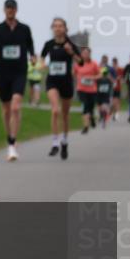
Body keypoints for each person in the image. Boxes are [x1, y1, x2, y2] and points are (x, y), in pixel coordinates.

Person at [0, 0, 35, 161]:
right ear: (4, 10)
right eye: (8, 8)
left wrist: (32, 56)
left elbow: (30, 46)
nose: (10, 11)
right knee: (6, 109)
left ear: (16, 10)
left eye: (12, 8)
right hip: (3, 72)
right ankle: (10, 137)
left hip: (20, 71)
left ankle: (12, 145)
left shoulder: (24, 29)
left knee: (15, 107)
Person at [39, 18, 82, 159]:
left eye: (60, 26)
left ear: (65, 29)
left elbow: (80, 62)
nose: (57, 28)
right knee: (55, 110)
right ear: (52, 28)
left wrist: (71, 53)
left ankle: (64, 141)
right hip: (52, 81)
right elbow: (41, 59)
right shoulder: (48, 44)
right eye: (55, 26)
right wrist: (42, 64)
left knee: (65, 114)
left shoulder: (71, 45)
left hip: (66, 82)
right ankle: (55, 143)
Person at [75, 47, 100, 135]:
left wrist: (92, 78)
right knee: (85, 105)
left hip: (92, 89)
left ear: (90, 54)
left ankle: (92, 117)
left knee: (91, 107)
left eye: (87, 53)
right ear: (81, 54)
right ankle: (85, 126)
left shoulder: (94, 64)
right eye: (83, 53)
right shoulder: (78, 63)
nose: (85, 55)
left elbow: (99, 75)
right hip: (81, 89)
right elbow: (74, 73)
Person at [110, 57, 123, 122]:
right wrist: (113, 79)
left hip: (118, 87)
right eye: (113, 62)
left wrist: (117, 79)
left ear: (117, 62)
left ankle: (116, 115)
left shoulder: (120, 69)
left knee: (117, 101)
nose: (114, 64)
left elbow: (121, 77)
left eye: (115, 62)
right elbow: (109, 76)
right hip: (112, 88)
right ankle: (114, 113)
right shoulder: (111, 69)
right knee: (113, 102)